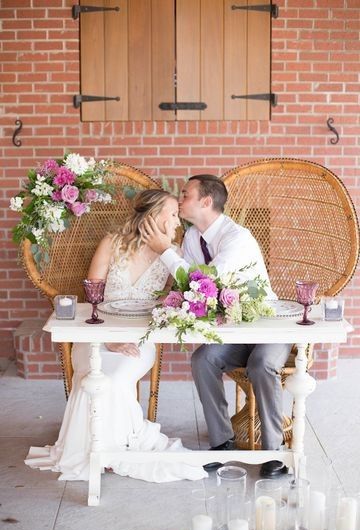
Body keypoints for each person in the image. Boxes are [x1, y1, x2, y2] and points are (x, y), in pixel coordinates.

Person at [25, 189, 207, 483]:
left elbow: (184, 293)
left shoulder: (174, 253)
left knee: (115, 378)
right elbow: (93, 294)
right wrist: (106, 338)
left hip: (140, 339)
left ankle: (111, 448)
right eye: (172, 214)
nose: (177, 221)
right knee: (93, 378)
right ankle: (100, 450)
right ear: (152, 216)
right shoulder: (112, 242)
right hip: (98, 334)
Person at [141, 175, 292, 478]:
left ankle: (275, 452)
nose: (180, 199)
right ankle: (222, 442)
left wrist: (164, 251)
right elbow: (188, 287)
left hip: (267, 326)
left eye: (185, 195)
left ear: (205, 202)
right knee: (203, 359)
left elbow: (206, 282)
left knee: (262, 364)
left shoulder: (238, 238)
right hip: (233, 330)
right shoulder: (192, 238)